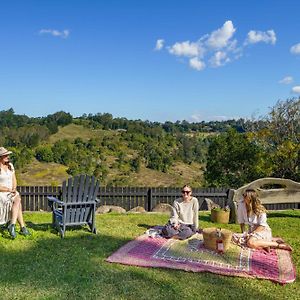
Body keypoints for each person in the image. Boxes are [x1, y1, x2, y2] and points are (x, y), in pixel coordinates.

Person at [0, 147, 30, 239]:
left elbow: (14, 180)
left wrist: (13, 189)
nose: (8, 156)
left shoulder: (10, 166)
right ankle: (22, 227)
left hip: (11, 191)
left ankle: (12, 225)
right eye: (6, 155)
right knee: (18, 202)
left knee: (17, 198)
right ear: (0, 157)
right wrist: (8, 190)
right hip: (2, 192)